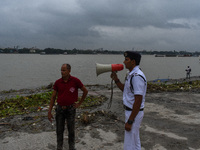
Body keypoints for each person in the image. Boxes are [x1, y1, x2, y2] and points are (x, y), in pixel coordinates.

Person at [111, 51, 147, 150]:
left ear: (133, 62)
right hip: (132, 112)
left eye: (126, 60)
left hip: (133, 113)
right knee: (134, 141)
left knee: (129, 143)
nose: (124, 62)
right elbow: (126, 90)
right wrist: (116, 80)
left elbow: (138, 100)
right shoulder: (131, 74)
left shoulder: (136, 77)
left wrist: (130, 121)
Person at [48, 64, 88, 150]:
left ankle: (72, 147)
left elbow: (85, 91)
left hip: (71, 109)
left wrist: (79, 103)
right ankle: (59, 147)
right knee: (59, 130)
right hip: (60, 109)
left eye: (64, 70)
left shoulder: (75, 81)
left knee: (71, 130)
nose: (62, 72)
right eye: (61, 70)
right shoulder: (58, 82)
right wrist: (49, 111)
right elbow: (53, 97)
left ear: (69, 71)